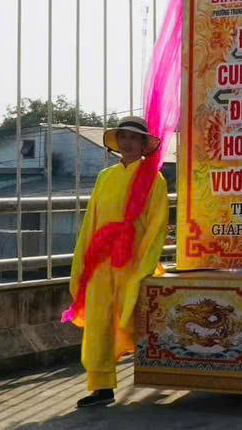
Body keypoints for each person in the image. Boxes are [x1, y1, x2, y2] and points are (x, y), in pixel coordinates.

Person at [68, 116, 170, 408]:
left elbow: (156, 226)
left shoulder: (154, 179)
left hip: (133, 260)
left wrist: (144, 266)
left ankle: (168, 372)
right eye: (123, 137)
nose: (127, 142)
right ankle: (101, 385)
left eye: (134, 138)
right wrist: (82, 261)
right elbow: (91, 221)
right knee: (99, 321)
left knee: (135, 318)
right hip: (101, 259)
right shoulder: (105, 176)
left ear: (143, 145)